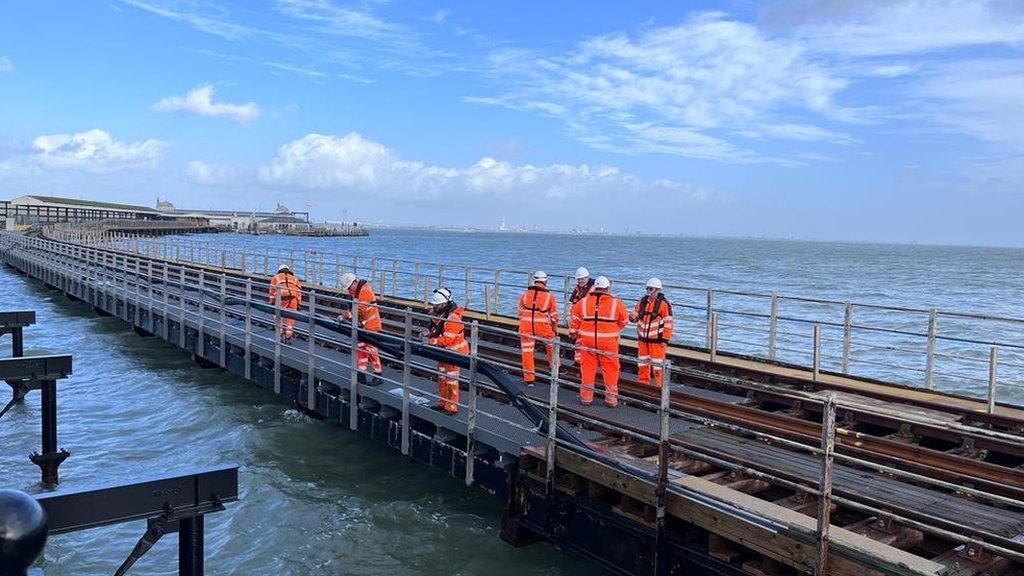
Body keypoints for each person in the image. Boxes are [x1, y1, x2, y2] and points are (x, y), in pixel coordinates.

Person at [569, 276, 628, 407]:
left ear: (595, 287)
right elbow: (624, 320)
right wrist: (612, 328)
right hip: (608, 342)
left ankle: (586, 398)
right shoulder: (616, 303)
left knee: (587, 370)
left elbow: (574, 317)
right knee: (611, 370)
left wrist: (574, 331)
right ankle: (611, 400)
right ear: (607, 288)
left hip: (587, 341)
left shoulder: (583, 302)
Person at [424, 288, 470, 414]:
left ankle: (452, 407)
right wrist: (428, 333)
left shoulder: (453, 319)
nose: (435, 307)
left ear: (444, 304)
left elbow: (446, 340)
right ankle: (443, 403)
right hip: (444, 354)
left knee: (451, 381)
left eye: (437, 305)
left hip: (455, 355)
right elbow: (437, 331)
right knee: (442, 379)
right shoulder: (442, 316)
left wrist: (429, 341)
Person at [339, 272, 383, 386]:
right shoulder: (355, 292)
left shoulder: (365, 290)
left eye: (349, 288)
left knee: (372, 349)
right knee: (361, 348)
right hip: (362, 325)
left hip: (371, 324)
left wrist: (347, 315)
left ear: (354, 283)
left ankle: (378, 375)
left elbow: (360, 310)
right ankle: (361, 374)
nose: (349, 291)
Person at [629, 278, 674, 388]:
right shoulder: (642, 301)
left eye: (651, 289)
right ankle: (643, 385)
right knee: (642, 364)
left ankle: (660, 387)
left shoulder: (664, 304)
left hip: (657, 342)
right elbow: (635, 317)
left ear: (658, 290)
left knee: (658, 367)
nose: (648, 291)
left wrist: (665, 340)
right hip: (643, 340)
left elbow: (668, 323)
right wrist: (632, 317)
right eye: (647, 288)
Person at [517, 271, 559, 385]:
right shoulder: (549, 296)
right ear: (545, 281)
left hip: (525, 326)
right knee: (552, 345)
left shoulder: (524, 294)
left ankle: (529, 379)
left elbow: (519, 312)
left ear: (534, 280)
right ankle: (554, 369)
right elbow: (554, 316)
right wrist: (554, 329)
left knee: (527, 352)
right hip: (542, 327)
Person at [568, 267, 595, 365]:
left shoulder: (593, 289)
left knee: (584, 342)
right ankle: (578, 362)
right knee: (576, 340)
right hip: (578, 318)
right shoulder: (578, 288)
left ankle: (582, 362)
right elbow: (573, 303)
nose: (580, 281)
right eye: (578, 279)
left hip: (587, 319)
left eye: (582, 279)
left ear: (587, 277)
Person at [268, 264, 301, 343]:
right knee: (291, 318)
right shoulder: (295, 279)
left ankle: (280, 333)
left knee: (278, 315)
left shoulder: (276, 277)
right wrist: (298, 303)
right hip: (293, 299)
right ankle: (288, 337)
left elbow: (272, 291)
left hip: (281, 299)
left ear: (279, 270)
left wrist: (272, 302)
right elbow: (299, 292)